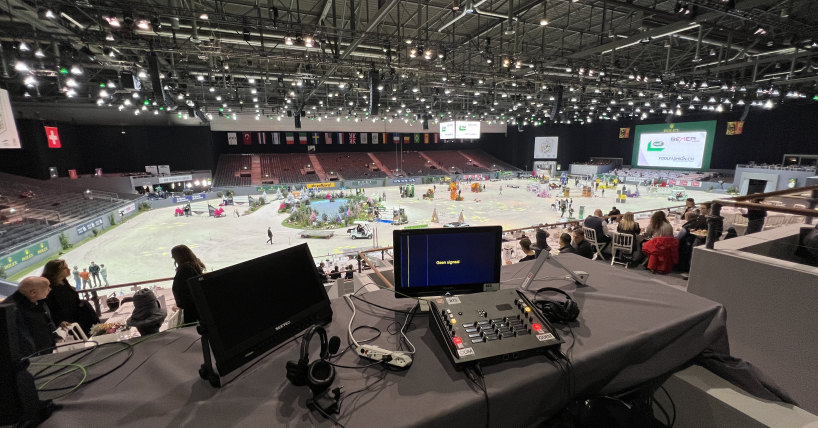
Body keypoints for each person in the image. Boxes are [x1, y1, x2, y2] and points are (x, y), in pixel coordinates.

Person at [43, 259, 99, 335]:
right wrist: (59, 322)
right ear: (56, 272)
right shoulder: (48, 288)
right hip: (68, 325)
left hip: (78, 318)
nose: (68, 269)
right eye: (65, 268)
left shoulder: (64, 282)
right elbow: (48, 309)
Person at [11, 277, 58, 355]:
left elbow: (47, 321)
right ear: (33, 293)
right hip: (35, 356)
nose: (50, 289)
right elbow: (23, 337)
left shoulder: (40, 301)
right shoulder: (15, 310)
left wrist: (55, 335)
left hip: (48, 349)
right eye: (47, 288)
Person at [170, 245, 206, 325]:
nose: (175, 260)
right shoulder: (193, 266)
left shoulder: (185, 269)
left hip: (191, 307)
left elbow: (186, 289)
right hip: (196, 305)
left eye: (174, 257)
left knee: (191, 328)